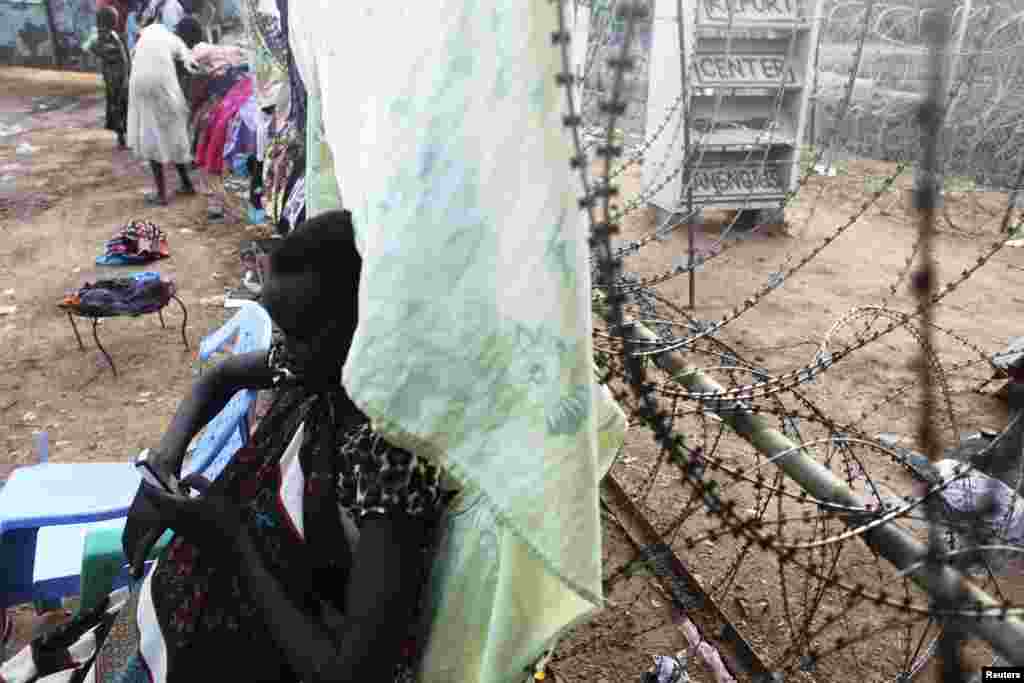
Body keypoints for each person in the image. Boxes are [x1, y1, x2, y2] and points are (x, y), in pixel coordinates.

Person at [115, 209, 454, 682]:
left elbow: (351, 675)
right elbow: (219, 377)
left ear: (368, 327)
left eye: (296, 334)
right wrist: (164, 462)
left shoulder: (390, 461)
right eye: (279, 331)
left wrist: (232, 541)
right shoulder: (321, 368)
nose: (282, 351)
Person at [125, 19, 199, 206]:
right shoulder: (173, 39)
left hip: (140, 88)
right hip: (164, 87)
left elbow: (132, 60)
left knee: (152, 135)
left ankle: (162, 193)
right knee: (174, 132)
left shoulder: (145, 38)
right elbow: (190, 66)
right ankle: (187, 183)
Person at [85, 6, 130, 148]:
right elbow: (94, 48)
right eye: (115, 18)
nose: (117, 20)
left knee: (117, 106)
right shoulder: (107, 36)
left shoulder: (109, 34)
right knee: (119, 106)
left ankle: (122, 138)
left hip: (114, 76)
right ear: (110, 21)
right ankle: (122, 138)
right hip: (116, 77)